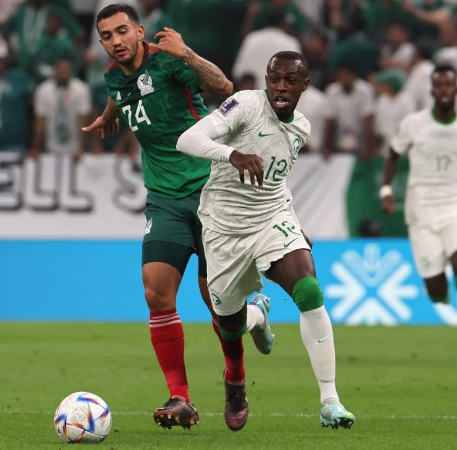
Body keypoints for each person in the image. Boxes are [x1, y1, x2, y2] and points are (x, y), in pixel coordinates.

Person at [82, 4, 273, 430]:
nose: (115, 41)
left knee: (218, 304)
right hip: (164, 198)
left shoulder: (168, 61)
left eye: (122, 31)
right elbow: (122, 93)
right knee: (156, 292)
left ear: (139, 31)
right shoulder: (113, 77)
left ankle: (235, 379)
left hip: (210, 191)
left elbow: (224, 87)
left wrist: (187, 53)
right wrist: (110, 115)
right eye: (107, 36)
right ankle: (180, 397)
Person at [176, 51, 355, 431]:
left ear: (305, 85)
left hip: (272, 218)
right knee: (230, 326)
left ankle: (330, 401)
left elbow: (276, 180)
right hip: (224, 229)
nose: (280, 87)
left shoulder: (301, 127)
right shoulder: (244, 105)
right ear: (266, 80)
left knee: (309, 291)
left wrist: (294, 224)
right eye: (274, 79)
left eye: (290, 81)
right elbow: (187, 140)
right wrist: (232, 155)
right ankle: (257, 317)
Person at [381, 65, 457, 365]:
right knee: (436, 290)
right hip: (421, 211)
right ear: (432, 91)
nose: (444, 91)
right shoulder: (414, 124)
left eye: (449, 86)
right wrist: (386, 190)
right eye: (439, 86)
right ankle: (439, 292)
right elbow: (393, 156)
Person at [30, 59, 91, 161]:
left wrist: (82, 148)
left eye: (66, 70)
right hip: (50, 147)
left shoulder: (81, 90)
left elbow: (83, 120)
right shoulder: (43, 90)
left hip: (75, 148)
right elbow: (40, 121)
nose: (63, 73)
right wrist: (36, 148)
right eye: (61, 69)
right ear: (55, 71)